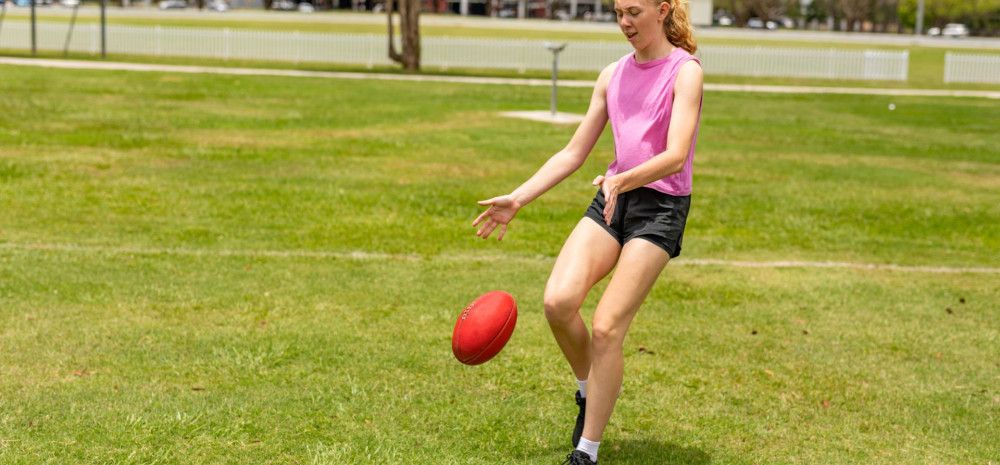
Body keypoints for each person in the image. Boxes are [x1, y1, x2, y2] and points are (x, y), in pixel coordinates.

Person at [472, 0, 703, 463]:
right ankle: (588, 387)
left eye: (634, 12)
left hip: (660, 206)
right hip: (614, 196)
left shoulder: (686, 72)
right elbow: (574, 152)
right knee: (558, 302)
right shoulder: (612, 75)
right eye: (619, 12)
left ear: (662, 10)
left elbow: (677, 154)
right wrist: (519, 197)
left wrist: (623, 178)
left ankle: (587, 451)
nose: (625, 22)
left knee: (606, 327)